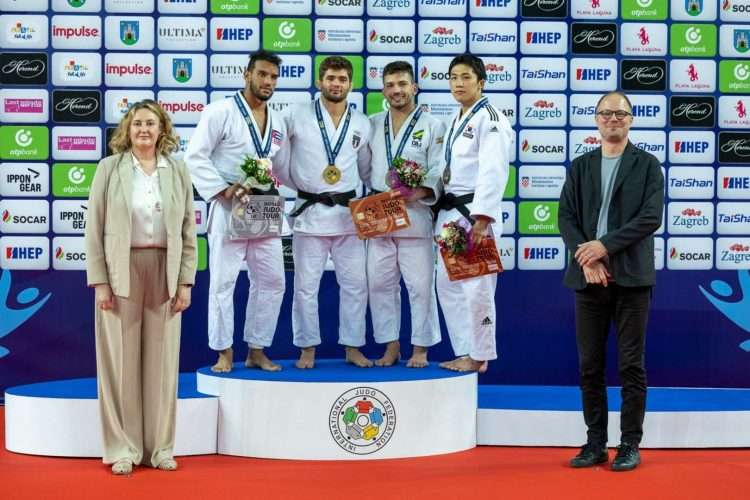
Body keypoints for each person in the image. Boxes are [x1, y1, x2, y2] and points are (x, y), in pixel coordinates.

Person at [85, 99, 197, 475]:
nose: (144, 130)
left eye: (151, 124)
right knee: (120, 364)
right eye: (137, 125)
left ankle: (160, 448)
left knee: (163, 365)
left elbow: (187, 231)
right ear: (127, 131)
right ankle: (122, 448)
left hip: (164, 271)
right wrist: (100, 282)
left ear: (162, 129)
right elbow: (93, 230)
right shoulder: (109, 169)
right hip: (121, 272)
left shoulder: (178, 171)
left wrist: (185, 280)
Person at [558, 91, 664, 472]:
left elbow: (650, 218)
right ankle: (595, 443)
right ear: (596, 120)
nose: (613, 119)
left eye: (620, 114)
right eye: (606, 113)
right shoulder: (581, 166)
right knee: (590, 365)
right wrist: (587, 258)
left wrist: (603, 246)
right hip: (588, 280)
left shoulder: (648, 165)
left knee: (631, 365)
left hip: (631, 278)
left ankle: (630, 444)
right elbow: (566, 219)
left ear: (631, 120)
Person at [185, 50, 288, 373]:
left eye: (273, 76)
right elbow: (194, 156)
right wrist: (222, 189)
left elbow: (278, 166)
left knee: (272, 281)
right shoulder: (220, 112)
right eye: (262, 74)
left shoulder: (278, 120)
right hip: (230, 207)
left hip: (264, 209)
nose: (268, 81)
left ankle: (257, 349)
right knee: (223, 283)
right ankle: (224, 352)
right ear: (247, 75)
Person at [275, 56, 372, 369]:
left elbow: (366, 169)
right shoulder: (295, 115)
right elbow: (281, 164)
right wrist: (307, 188)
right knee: (305, 286)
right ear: (320, 82)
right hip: (310, 212)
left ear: (350, 84)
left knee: (355, 285)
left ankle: (353, 346)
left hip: (348, 215)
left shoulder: (361, 122)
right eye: (331, 78)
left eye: (342, 79)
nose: (336, 84)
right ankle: (307, 348)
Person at [434, 54, 512, 373]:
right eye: (453, 77)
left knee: (477, 289)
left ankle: (480, 355)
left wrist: (483, 217)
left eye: (466, 77)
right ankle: (466, 350)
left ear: (481, 82)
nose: (458, 83)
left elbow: (493, 170)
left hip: (473, 216)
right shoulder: (459, 117)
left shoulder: (490, 118)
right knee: (448, 284)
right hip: (452, 213)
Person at [365, 61, 445, 368]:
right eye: (390, 85)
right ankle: (391, 345)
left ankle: (421, 348)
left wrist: (420, 191)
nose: (396, 90)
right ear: (383, 90)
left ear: (415, 87)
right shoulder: (372, 123)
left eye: (402, 84)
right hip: (380, 213)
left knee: (421, 285)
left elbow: (438, 168)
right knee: (379, 283)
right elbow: (364, 167)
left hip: (414, 215)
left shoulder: (433, 125)